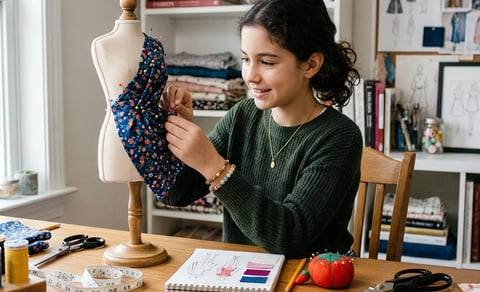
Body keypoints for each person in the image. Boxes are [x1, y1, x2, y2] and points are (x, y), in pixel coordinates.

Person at [160, 0, 363, 259]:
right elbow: (175, 194)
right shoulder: (242, 116)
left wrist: (215, 167)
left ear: (311, 65)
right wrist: (179, 134)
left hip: (310, 281)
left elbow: (288, 236)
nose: (250, 75)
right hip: (239, 275)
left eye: (266, 62)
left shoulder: (340, 137)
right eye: (246, 59)